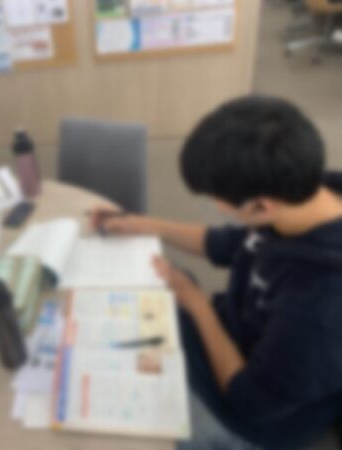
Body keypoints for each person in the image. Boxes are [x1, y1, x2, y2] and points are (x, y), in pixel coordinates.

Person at [90, 96, 342, 449]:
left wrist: (197, 305)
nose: (213, 206)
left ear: (260, 206)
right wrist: (140, 224)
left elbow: (250, 401)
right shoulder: (309, 192)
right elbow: (228, 244)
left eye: (214, 201)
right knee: (143, 297)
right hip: (239, 334)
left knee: (121, 419)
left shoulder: (320, 308)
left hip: (255, 423)